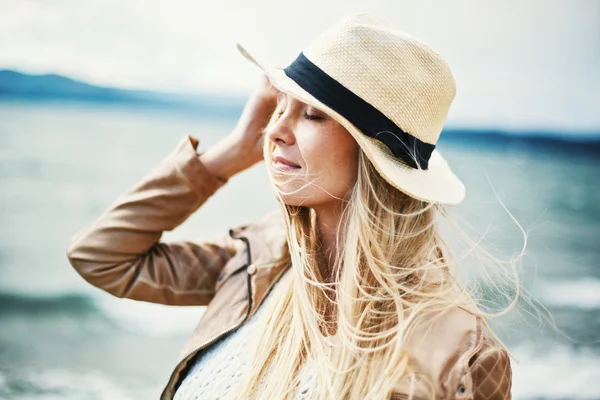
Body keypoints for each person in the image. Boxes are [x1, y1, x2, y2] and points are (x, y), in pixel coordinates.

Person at [66, 13, 513, 400]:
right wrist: (235, 150)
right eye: (280, 105)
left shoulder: (461, 356)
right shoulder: (259, 261)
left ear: (373, 157)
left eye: (313, 114)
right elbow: (101, 256)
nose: (275, 129)